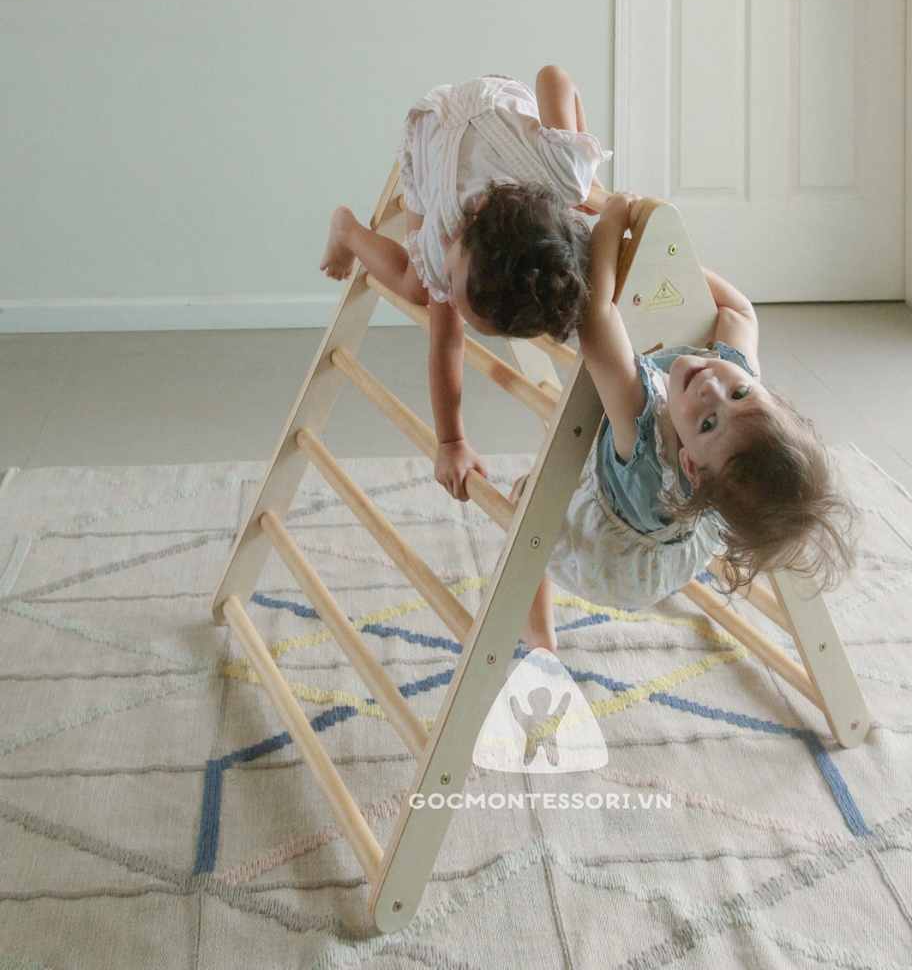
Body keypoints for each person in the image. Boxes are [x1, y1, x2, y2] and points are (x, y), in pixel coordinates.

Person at [522, 193, 857, 652]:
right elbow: (739, 312)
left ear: (690, 466)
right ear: (768, 396)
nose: (712, 387)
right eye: (740, 393)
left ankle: (536, 623)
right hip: (675, 553)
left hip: (606, 559)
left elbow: (596, 320)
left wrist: (611, 226)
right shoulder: (738, 392)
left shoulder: (646, 431)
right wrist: (663, 263)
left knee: (527, 497)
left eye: (708, 423)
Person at [320, 67, 609, 501]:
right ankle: (347, 229)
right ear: (475, 220)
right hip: (441, 122)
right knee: (417, 287)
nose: (450, 299)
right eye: (456, 287)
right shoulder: (559, 177)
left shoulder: (543, 192)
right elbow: (553, 77)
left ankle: (350, 230)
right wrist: (450, 441)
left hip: (483, 139)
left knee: (432, 287)